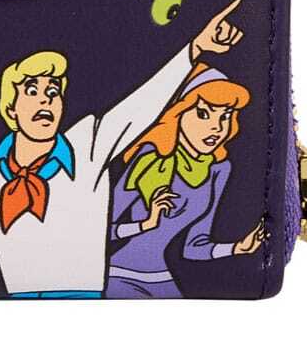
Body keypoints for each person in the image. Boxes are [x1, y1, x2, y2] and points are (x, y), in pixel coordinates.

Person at [0, 0, 245, 298]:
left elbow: (140, 107)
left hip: (87, 302)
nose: (45, 100)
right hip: (11, 302)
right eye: (31, 90)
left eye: (53, 92)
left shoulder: (88, 146)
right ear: (10, 109)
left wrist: (194, 49)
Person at [105, 65, 264, 298]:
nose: (217, 128)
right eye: (203, 114)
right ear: (177, 112)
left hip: (164, 278)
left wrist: (237, 248)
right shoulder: (149, 159)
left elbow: (194, 246)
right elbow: (101, 229)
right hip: (119, 275)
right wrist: (144, 225)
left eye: (225, 116)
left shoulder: (218, 169)